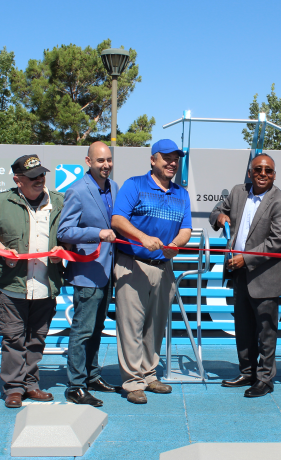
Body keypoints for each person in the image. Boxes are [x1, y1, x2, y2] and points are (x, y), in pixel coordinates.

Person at [111, 139, 192, 404]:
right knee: (131, 325)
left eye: (175, 159)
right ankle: (133, 381)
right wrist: (141, 237)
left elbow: (185, 230)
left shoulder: (181, 193)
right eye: (166, 158)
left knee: (155, 327)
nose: (171, 163)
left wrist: (175, 245)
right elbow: (118, 219)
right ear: (153, 160)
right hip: (132, 264)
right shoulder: (134, 185)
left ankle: (148, 374)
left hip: (163, 267)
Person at [0, 154, 65, 408]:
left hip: (45, 285)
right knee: (13, 339)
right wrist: (4, 251)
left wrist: (64, 249)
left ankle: (31, 384)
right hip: (12, 285)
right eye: (32, 177)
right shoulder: (0, 201)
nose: (39, 180)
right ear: (18, 180)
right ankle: (14, 388)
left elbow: (68, 235)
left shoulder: (59, 201)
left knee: (37, 339)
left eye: (41, 174)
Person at [210, 153, 281, 398]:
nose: (263, 174)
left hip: (265, 276)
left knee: (266, 331)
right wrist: (220, 217)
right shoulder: (238, 192)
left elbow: (276, 241)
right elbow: (215, 212)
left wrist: (245, 258)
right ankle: (247, 372)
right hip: (238, 276)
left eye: (268, 170)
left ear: (274, 175)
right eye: (258, 169)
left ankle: (265, 379)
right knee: (243, 328)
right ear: (250, 172)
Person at [57, 142, 120, 407]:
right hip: (86, 272)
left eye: (108, 160)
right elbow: (64, 231)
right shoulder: (77, 190)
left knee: (97, 328)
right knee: (82, 330)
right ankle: (75, 385)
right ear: (88, 161)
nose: (105, 165)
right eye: (100, 161)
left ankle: (92, 376)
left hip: (107, 272)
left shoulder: (114, 187)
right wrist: (97, 233)